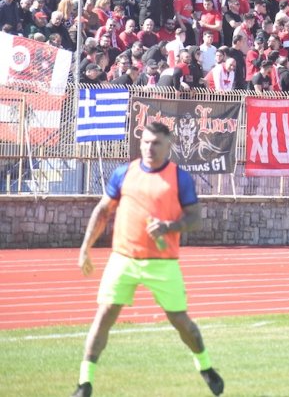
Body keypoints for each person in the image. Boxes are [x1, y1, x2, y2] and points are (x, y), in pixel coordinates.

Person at [72, 122, 224, 397]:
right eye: (146, 142)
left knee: (180, 321)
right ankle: (84, 383)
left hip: (163, 262)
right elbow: (103, 211)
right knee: (104, 314)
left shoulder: (180, 178)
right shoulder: (124, 173)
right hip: (124, 259)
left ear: (168, 145)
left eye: (156, 143)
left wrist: (169, 226)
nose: (149, 147)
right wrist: (85, 248)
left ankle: (205, 366)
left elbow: (195, 219)